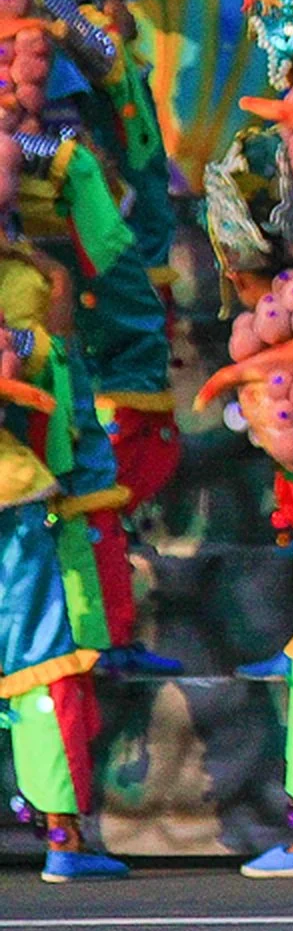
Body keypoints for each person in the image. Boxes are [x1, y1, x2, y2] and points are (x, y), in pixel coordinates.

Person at [0, 242, 128, 882]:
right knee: (37, 657)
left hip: (17, 492)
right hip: (13, 495)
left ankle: (64, 833)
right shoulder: (24, 282)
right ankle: (63, 836)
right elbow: (45, 369)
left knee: (39, 656)